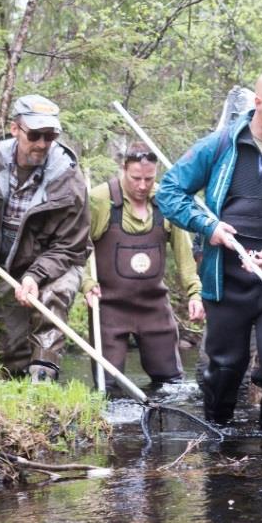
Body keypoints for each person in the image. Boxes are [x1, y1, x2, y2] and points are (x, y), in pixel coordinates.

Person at [157, 69, 262, 433]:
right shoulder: (218, 147)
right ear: (258, 103)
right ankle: (218, 440)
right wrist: (209, 227)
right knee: (222, 369)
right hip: (225, 279)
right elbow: (169, 192)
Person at [0, 94, 89, 382]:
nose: (42, 144)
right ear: (15, 129)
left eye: (50, 136)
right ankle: (17, 394)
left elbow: (70, 246)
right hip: (6, 264)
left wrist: (35, 276)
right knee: (10, 352)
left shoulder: (69, 180)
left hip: (58, 261)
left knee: (52, 299)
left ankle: (43, 383)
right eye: (35, 135)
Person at [82, 142, 205, 394]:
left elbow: (185, 255)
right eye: (136, 178)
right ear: (123, 169)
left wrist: (195, 292)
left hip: (154, 308)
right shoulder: (99, 200)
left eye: (149, 179)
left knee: (171, 387)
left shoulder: (166, 201)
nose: (142, 185)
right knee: (109, 389)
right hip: (108, 308)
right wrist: (86, 283)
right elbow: (79, 248)